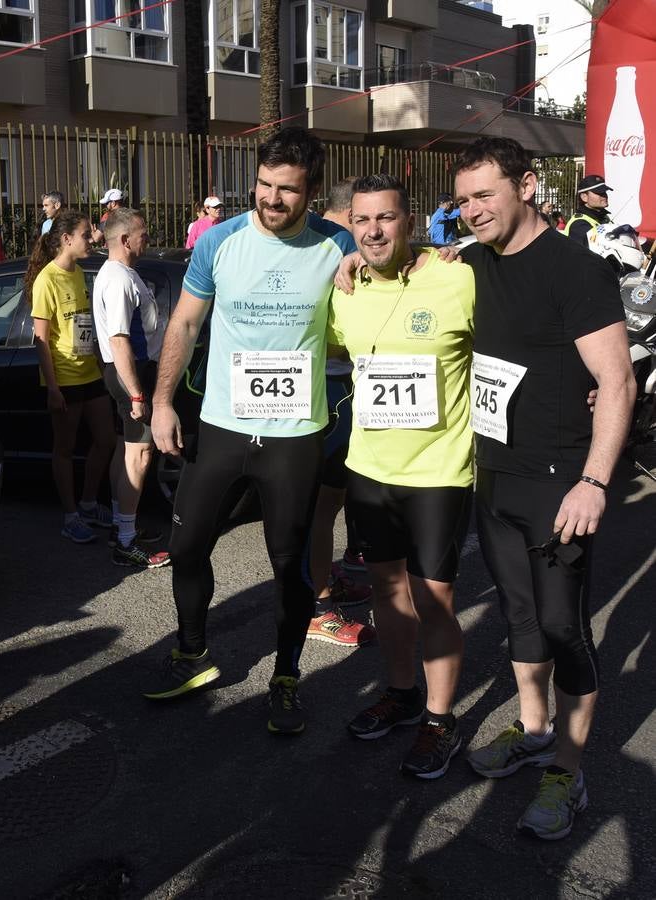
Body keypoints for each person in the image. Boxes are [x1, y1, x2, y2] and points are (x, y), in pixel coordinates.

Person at [143, 127, 357, 736]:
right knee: (186, 546)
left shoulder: (336, 244)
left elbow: (392, 266)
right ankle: (192, 654)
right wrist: (161, 404)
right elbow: (184, 325)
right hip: (223, 426)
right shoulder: (218, 241)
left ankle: (286, 677)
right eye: (263, 185)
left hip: (294, 436)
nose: (270, 199)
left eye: (286, 190)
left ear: (310, 192)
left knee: (288, 565)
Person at [454, 137, 633, 839]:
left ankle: (568, 770)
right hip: (494, 474)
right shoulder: (468, 263)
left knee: (562, 626)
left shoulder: (576, 269)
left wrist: (595, 480)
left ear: (527, 186)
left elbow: (616, 380)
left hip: (561, 481)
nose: (472, 211)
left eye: (485, 195)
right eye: (464, 200)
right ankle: (533, 730)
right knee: (519, 616)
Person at [327, 174, 476, 779]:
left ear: (409, 221)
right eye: (362, 221)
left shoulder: (458, 276)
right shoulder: (345, 289)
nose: (373, 231)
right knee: (387, 596)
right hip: (369, 468)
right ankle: (402, 693)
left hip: (440, 471)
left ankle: (441, 720)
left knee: (432, 599)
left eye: (385, 218)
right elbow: (331, 350)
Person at [308, 175, 373, 644]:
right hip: (334, 386)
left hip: (321, 386)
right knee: (322, 502)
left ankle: (325, 581)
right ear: (353, 212)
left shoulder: (311, 236)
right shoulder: (343, 243)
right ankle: (319, 604)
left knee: (329, 498)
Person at [26, 210, 116, 544]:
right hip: (63, 377)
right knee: (64, 448)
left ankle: (90, 503)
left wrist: (98, 360)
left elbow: (83, 324)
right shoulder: (46, 280)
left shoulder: (78, 273)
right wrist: (52, 387)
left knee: (106, 439)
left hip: (89, 372)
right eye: (84, 234)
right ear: (66, 239)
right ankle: (70, 515)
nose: (91, 239)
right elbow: (42, 340)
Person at [92, 208, 170, 568]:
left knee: (126, 450)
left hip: (129, 371)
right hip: (130, 372)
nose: (147, 240)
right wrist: (137, 394)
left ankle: (122, 525)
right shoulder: (118, 279)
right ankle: (125, 540)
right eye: (143, 234)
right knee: (139, 455)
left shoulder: (122, 273)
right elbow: (120, 339)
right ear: (124, 240)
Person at [562, 174, 612, 247]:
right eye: (599, 193)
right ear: (584, 197)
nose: (604, 196)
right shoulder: (578, 224)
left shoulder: (603, 217)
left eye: (604, 192)